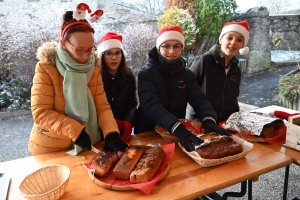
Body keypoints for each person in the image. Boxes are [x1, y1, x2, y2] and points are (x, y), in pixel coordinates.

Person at [28, 4, 128, 155]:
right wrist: (76, 130)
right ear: (63, 43)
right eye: (79, 50)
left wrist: (111, 133)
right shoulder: (46, 67)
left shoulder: (93, 68)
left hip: (86, 145)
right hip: (51, 147)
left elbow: (102, 107)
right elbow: (41, 112)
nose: (85, 56)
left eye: (90, 49)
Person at [134, 25, 231, 152]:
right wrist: (178, 128)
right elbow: (151, 105)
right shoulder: (146, 73)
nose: (171, 51)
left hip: (175, 133)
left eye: (176, 46)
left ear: (182, 48)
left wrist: (208, 119)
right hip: (149, 131)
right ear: (158, 48)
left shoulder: (187, 75)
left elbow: (199, 99)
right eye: (166, 46)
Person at [186, 20, 250, 123]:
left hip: (224, 122)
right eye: (229, 38)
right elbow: (187, 88)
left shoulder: (236, 69)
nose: (233, 42)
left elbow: (233, 97)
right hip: (200, 121)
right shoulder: (205, 60)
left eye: (239, 40)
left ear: (243, 45)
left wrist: (235, 118)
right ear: (221, 39)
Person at [97, 32, 138, 143]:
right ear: (102, 56)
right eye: (109, 54)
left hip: (122, 130)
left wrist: (128, 121)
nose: (114, 58)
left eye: (117, 53)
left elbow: (132, 104)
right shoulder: (96, 76)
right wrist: (109, 122)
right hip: (99, 131)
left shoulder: (129, 76)